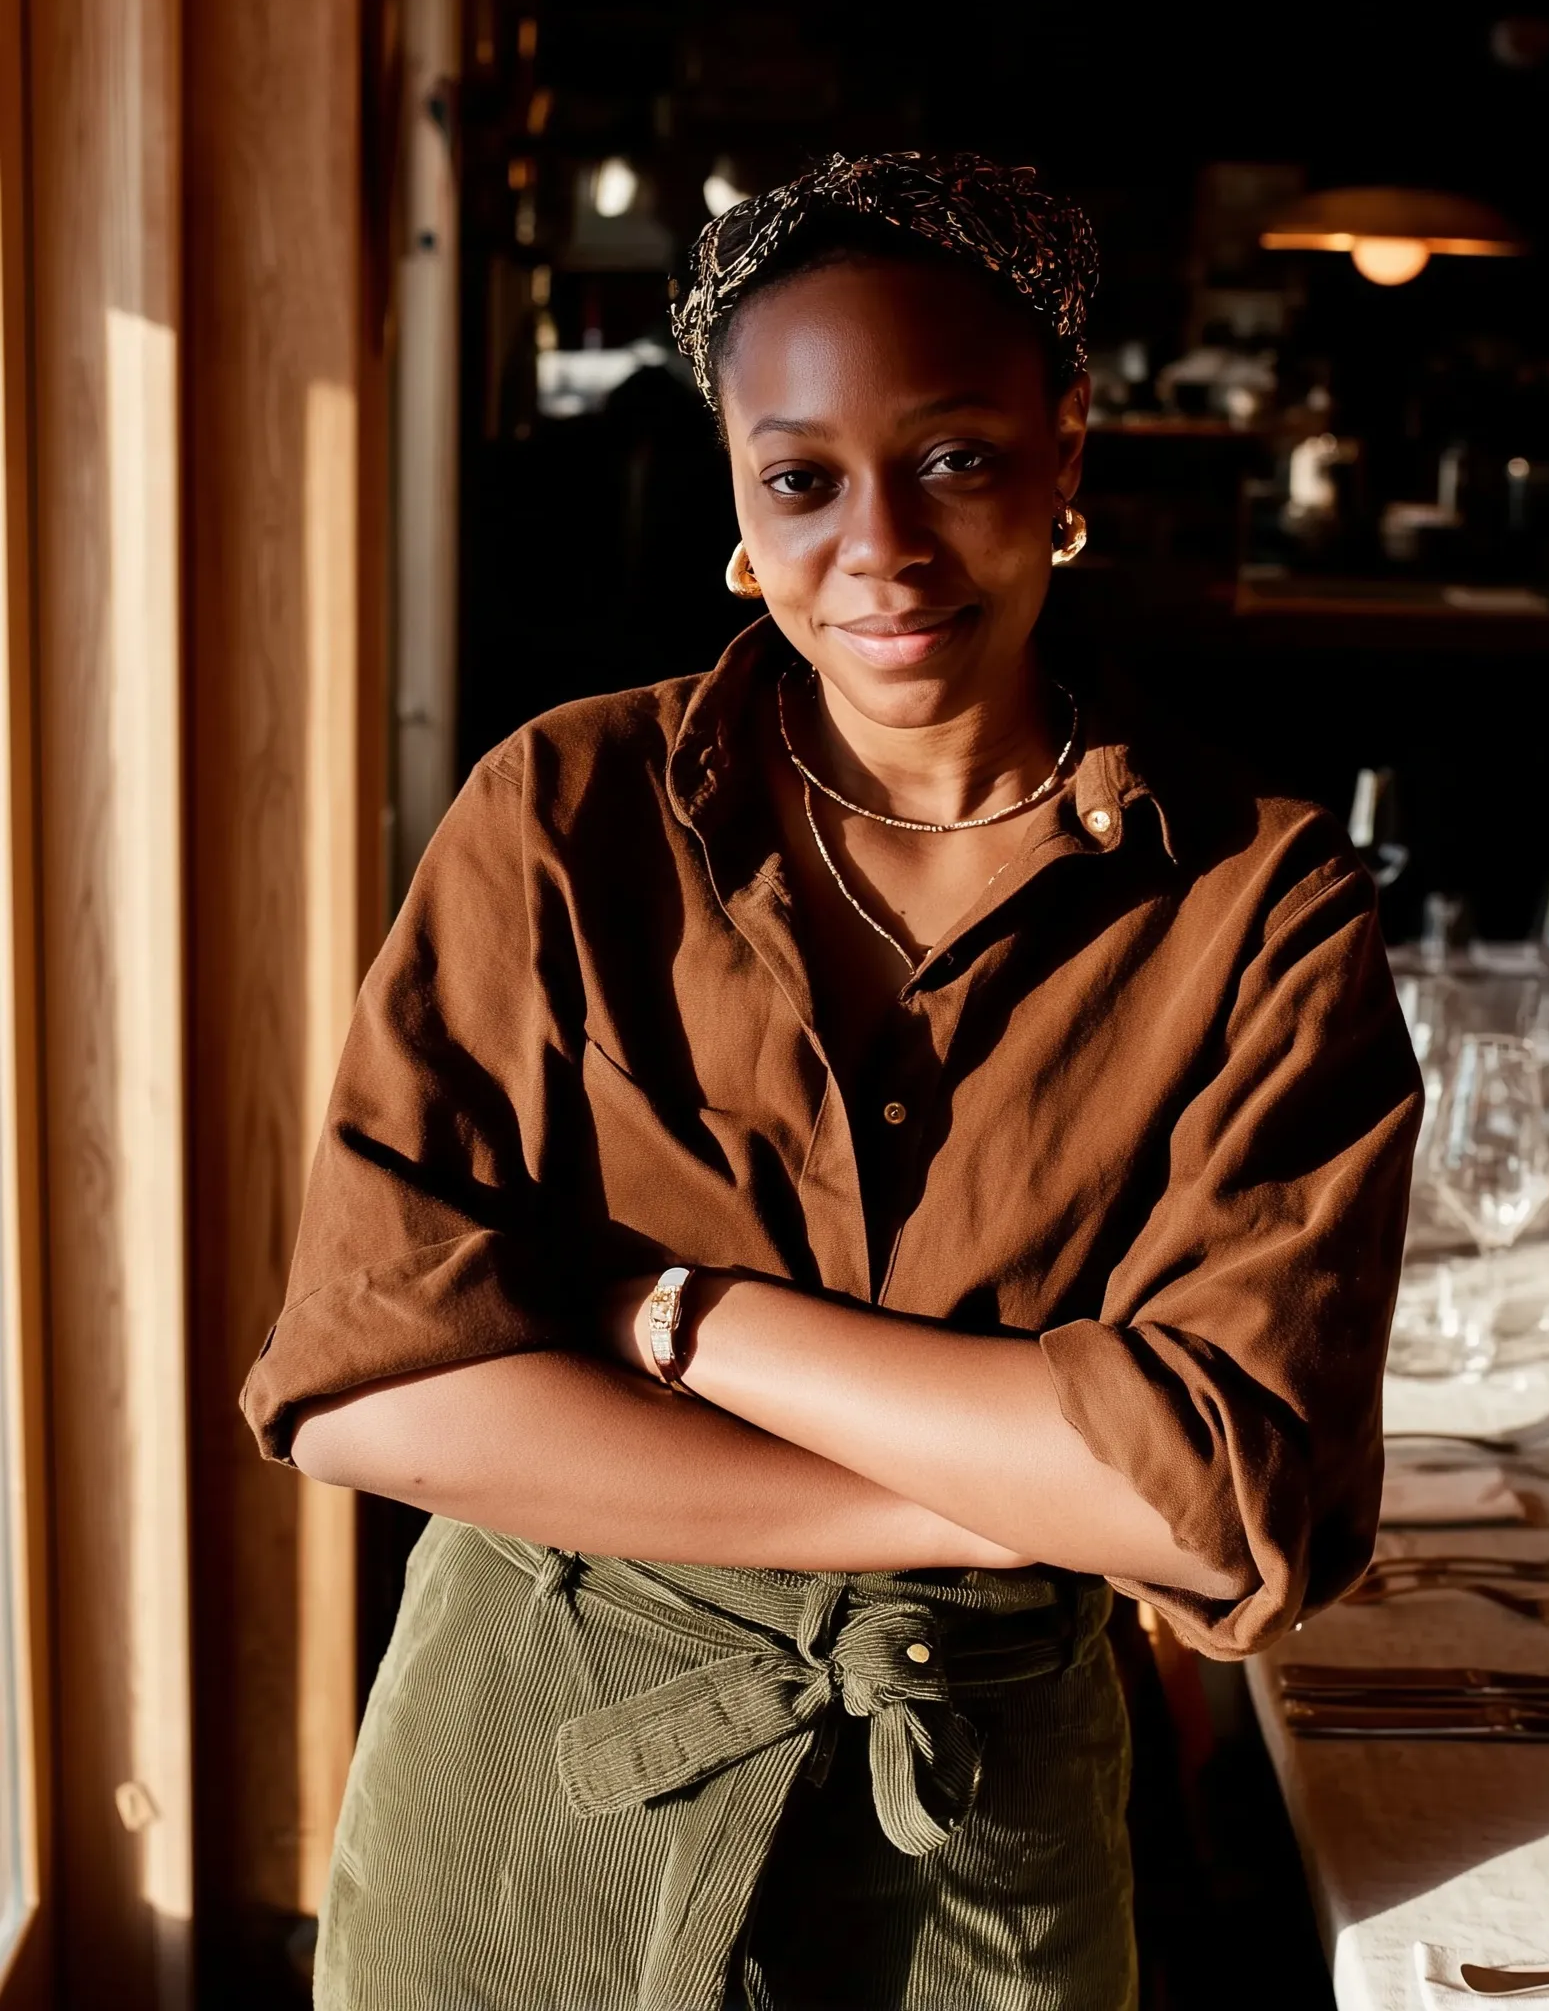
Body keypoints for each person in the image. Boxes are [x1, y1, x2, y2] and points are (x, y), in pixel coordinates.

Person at [244, 149, 1421, 2011]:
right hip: (533, 1783)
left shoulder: (1257, 900)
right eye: (801, 479)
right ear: (736, 503)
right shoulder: (562, 816)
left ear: (1068, 448)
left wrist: (668, 1320)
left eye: (952, 455)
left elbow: (1226, 1501)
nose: (876, 546)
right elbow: (369, 1388)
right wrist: (1004, 1496)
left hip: (983, 1827)